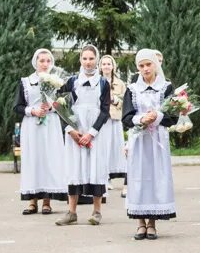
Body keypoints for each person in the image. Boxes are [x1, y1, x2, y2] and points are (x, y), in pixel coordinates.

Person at [123, 49, 177, 240]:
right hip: (139, 140)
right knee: (139, 178)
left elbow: (173, 116)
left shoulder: (166, 88)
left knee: (155, 178)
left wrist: (158, 116)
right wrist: (141, 119)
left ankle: (152, 223)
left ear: (156, 65)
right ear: (137, 68)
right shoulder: (132, 89)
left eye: (148, 64)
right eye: (141, 65)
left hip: (158, 140)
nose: (145, 69)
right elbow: (126, 117)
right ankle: (140, 223)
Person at [55, 44, 110, 226]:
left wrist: (91, 133)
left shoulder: (103, 83)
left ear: (97, 60)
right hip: (75, 130)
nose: (88, 62)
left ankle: (96, 211)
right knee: (74, 168)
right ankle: (71, 212)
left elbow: (105, 110)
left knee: (95, 167)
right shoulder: (71, 82)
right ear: (80, 60)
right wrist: (71, 130)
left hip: (95, 132)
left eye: (91, 59)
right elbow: (61, 106)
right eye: (85, 58)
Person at [14, 48, 67, 215]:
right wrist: (33, 111)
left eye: (48, 61)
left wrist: (52, 106)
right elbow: (17, 106)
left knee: (48, 159)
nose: (45, 64)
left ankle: (46, 201)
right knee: (32, 159)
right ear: (35, 62)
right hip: (32, 125)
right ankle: (31, 201)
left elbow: (65, 103)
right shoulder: (26, 81)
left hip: (50, 123)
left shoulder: (57, 81)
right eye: (41, 61)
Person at [99, 54, 128, 190]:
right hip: (101, 119)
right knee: (103, 147)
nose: (106, 66)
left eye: (108, 64)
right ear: (100, 66)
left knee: (114, 148)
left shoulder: (120, 83)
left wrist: (114, 99)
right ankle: (104, 177)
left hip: (115, 119)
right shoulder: (96, 81)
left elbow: (124, 102)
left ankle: (112, 174)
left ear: (113, 66)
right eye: (103, 64)